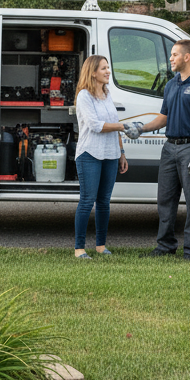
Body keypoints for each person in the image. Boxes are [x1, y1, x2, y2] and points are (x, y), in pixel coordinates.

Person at [125, 38, 190, 260]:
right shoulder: (171, 84)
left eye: (174, 54)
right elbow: (163, 118)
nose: (171, 59)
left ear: (187, 57)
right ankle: (165, 246)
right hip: (169, 149)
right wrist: (142, 128)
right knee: (165, 200)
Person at [72, 54, 130, 259]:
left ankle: (100, 246)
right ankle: (79, 248)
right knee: (87, 201)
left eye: (108, 68)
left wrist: (121, 153)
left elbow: (114, 125)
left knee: (104, 201)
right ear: (93, 72)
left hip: (111, 154)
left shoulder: (107, 94)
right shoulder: (84, 96)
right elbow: (96, 126)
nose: (108, 71)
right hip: (90, 153)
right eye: (104, 68)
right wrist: (124, 126)